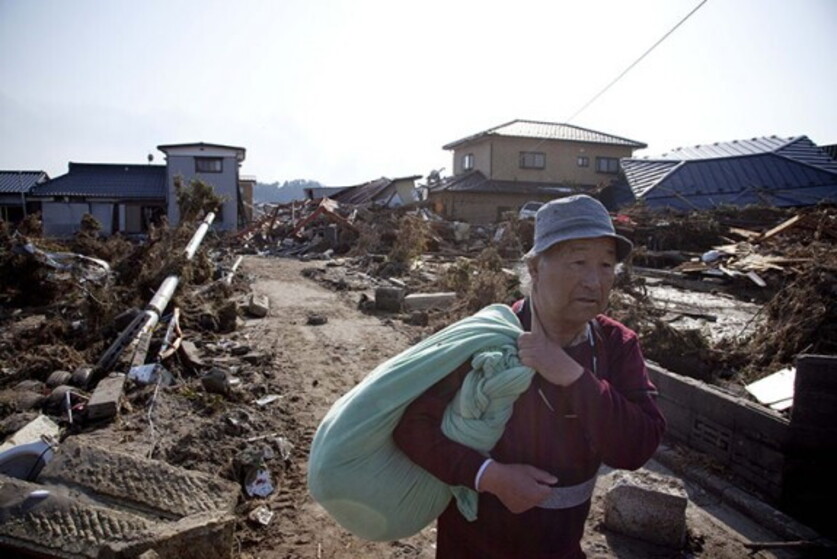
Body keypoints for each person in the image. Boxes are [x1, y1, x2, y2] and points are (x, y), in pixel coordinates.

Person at [393, 194, 666, 558]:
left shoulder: (615, 345)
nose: (594, 281)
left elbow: (637, 447)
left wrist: (572, 376)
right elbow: (411, 427)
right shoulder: (487, 338)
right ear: (535, 268)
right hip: (473, 545)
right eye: (578, 262)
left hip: (560, 547)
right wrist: (487, 475)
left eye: (606, 265)